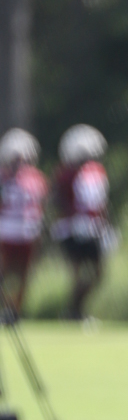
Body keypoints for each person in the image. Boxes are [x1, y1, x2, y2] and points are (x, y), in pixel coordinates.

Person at [50, 125, 111, 323]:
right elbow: (57, 200)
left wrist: (104, 222)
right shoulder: (65, 173)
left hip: (94, 228)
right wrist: (71, 216)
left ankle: (77, 309)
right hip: (72, 229)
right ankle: (73, 312)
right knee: (77, 273)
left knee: (98, 273)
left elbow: (101, 202)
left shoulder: (97, 170)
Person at [0, 129, 48, 315]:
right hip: (8, 230)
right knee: (6, 272)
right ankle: (9, 308)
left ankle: (13, 310)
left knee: (23, 276)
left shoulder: (35, 177)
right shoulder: (4, 177)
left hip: (26, 231)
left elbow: (40, 205)